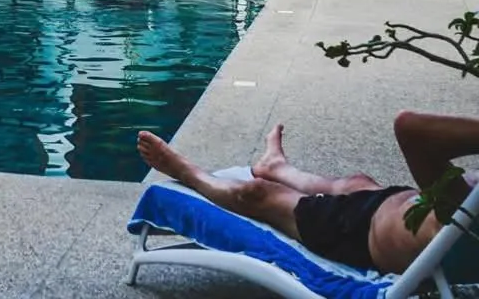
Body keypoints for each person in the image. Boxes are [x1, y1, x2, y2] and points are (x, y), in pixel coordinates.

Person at [136, 113, 479, 275]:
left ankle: (185, 171)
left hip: (358, 233)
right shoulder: (464, 210)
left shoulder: (464, 219)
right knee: (354, 182)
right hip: (398, 204)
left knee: (258, 194)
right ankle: (277, 167)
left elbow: (410, 127)